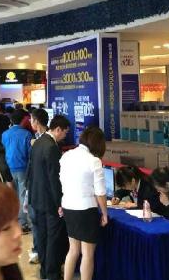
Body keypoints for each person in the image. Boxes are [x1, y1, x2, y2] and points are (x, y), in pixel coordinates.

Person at [60, 127, 108, 280]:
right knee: (87, 253)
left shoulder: (66, 156)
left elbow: (61, 181)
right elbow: (100, 192)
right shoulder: (94, 161)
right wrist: (105, 214)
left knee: (73, 250)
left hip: (68, 206)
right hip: (86, 209)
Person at [27, 115, 71, 280]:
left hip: (37, 198)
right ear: (58, 129)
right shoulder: (52, 147)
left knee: (43, 236)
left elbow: (31, 172)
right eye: (65, 133)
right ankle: (52, 273)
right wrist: (60, 202)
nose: (64, 136)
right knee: (53, 238)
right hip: (49, 201)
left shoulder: (38, 142)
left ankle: (45, 271)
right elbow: (54, 178)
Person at [1, 110, 32, 232]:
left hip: (8, 169)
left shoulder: (5, 134)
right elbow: (30, 154)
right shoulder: (27, 134)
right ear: (23, 120)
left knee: (11, 196)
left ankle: (11, 221)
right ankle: (22, 223)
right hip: (23, 168)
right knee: (23, 195)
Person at [27, 107, 50, 264]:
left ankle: (42, 253)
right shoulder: (35, 138)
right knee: (35, 222)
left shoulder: (48, 141)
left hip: (43, 191)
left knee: (41, 224)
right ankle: (37, 250)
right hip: (34, 187)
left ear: (36, 121)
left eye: (31, 119)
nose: (30, 122)